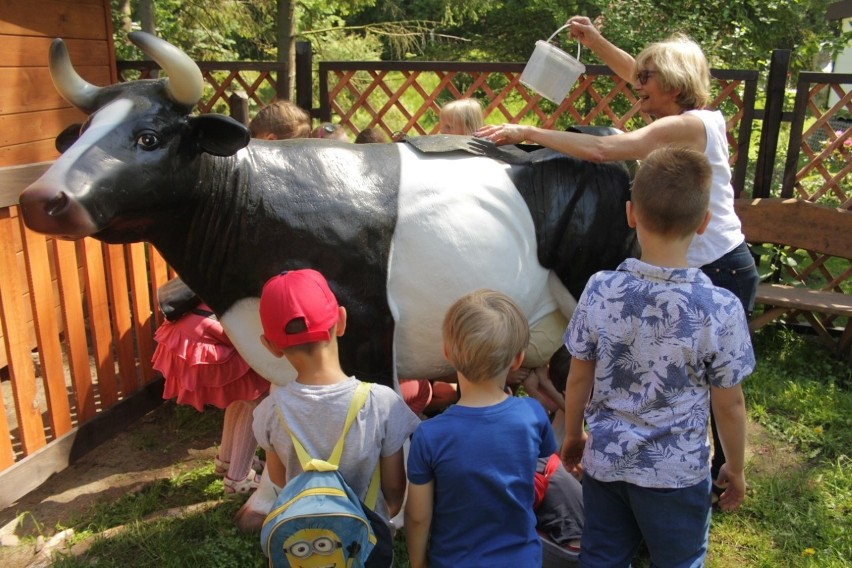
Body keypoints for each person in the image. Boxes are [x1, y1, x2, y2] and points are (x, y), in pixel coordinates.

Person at [477, 22, 759, 489]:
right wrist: (596, 45)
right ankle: (689, 469)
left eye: (647, 79)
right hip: (714, 261)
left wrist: (527, 130)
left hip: (718, 268)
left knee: (712, 386)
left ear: (671, 83)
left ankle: (716, 475)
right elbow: (636, 73)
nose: (636, 85)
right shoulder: (699, 115)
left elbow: (607, 148)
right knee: (693, 378)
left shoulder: (685, 125)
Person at [560, 147, 755, 567]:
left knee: (602, 557)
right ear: (704, 223)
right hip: (677, 475)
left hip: (607, 461)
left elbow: (578, 378)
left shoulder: (600, 290)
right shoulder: (719, 308)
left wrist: (574, 433)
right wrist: (734, 468)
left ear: (631, 213)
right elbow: (730, 404)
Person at [240, 269, 420, 536]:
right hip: (366, 545)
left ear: (270, 345)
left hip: (304, 547)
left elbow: (279, 481)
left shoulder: (270, 411)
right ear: (342, 320)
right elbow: (395, 493)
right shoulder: (382, 404)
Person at [405, 289, 557, 568]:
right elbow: (548, 460)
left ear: (447, 353)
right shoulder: (533, 415)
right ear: (518, 360)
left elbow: (417, 516)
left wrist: (417, 563)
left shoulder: (429, 435)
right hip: (520, 559)